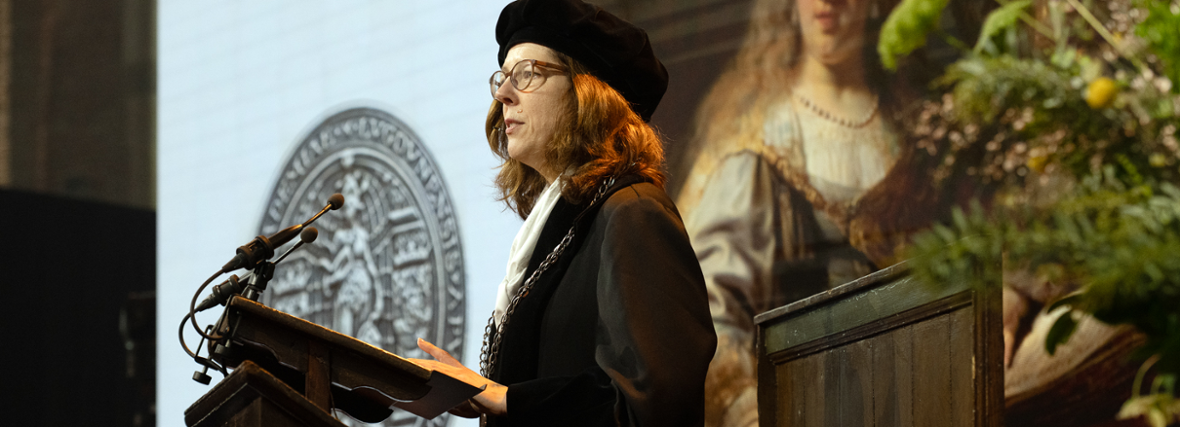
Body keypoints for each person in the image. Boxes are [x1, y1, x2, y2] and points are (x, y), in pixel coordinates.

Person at [410, 1, 717, 426]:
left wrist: (509, 399)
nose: (502, 94)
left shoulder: (634, 214)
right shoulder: (560, 232)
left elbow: (654, 404)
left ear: (589, 95)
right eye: (502, 77)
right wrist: (482, 393)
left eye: (527, 74)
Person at [672, 0, 944, 425]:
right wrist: (750, 413)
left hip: (921, 390)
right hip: (806, 402)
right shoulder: (759, 135)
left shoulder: (914, 125)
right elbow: (709, 311)